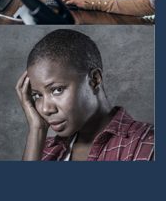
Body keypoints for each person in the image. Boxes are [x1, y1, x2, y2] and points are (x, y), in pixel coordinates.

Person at [15, 29, 154, 161]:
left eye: (57, 90)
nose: (46, 109)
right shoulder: (43, 151)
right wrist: (37, 130)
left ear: (94, 80)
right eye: (37, 95)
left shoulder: (146, 144)